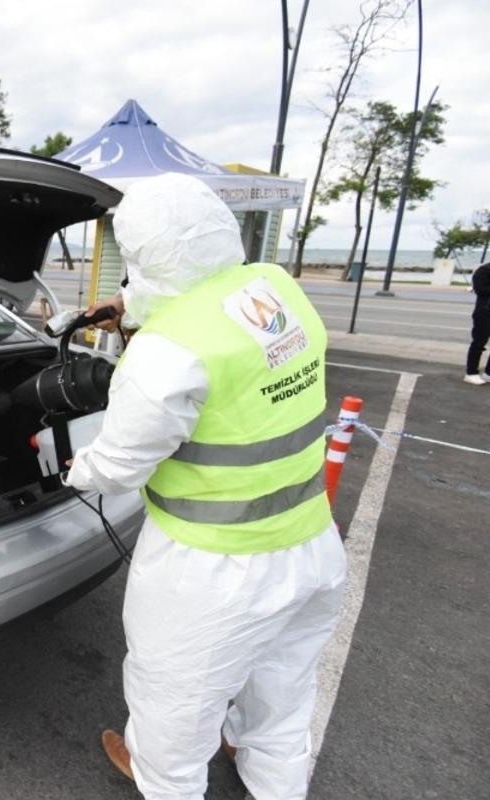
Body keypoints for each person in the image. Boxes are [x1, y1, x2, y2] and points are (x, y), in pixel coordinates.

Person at [65, 172, 346, 800]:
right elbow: (204, 296)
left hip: (214, 568)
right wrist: (130, 304)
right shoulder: (274, 287)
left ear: (139, 255)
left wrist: (69, 469)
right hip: (312, 545)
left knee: (173, 705)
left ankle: (160, 777)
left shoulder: (164, 354)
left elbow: (118, 466)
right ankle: (273, 779)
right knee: (282, 692)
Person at [464, 261, 490, 385]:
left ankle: (488, 373)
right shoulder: (484, 270)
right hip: (484, 312)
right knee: (479, 343)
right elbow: (480, 289)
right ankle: (471, 373)